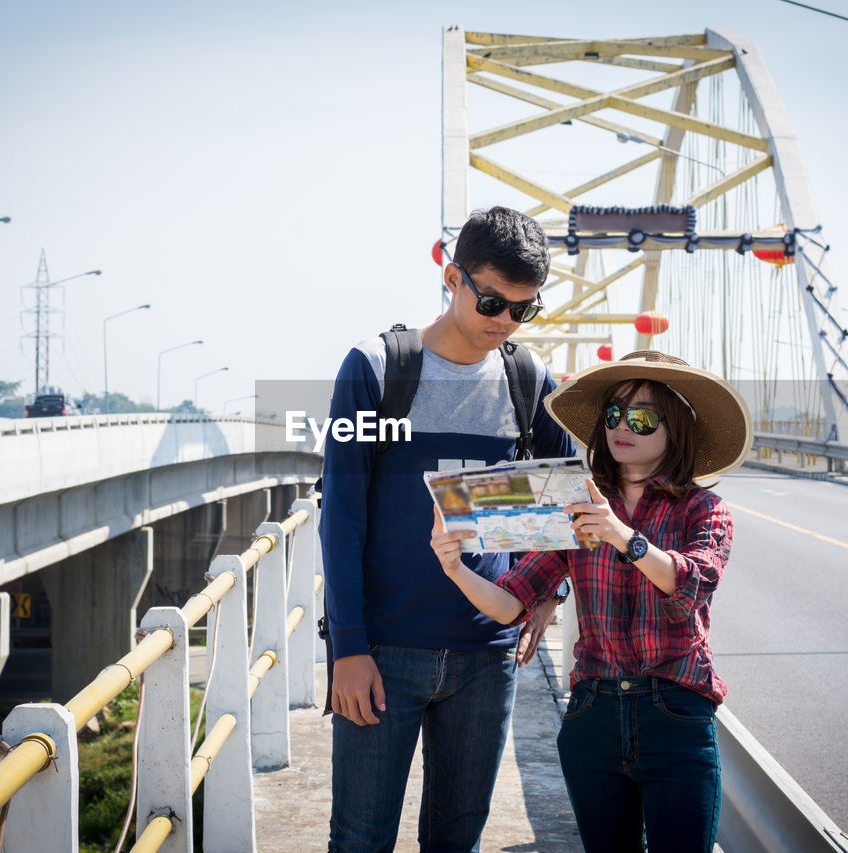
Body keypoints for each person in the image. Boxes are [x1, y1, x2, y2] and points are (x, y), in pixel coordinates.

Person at [320, 206, 574, 852]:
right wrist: (347, 649)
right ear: (451, 275)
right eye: (492, 300)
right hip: (384, 653)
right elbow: (340, 517)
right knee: (359, 839)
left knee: (457, 842)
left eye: (523, 310)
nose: (505, 322)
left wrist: (551, 589)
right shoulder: (374, 371)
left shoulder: (528, 381)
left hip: (488, 659)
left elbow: (571, 491)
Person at [431, 350, 753, 853]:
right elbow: (510, 603)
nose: (623, 427)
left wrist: (623, 537)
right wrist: (454, 568)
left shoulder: (703, 507)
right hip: (593, 716)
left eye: (643, 418)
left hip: (675, 714)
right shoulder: (574, 506)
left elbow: (692, 584)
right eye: (613, 415)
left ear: (677, 431)